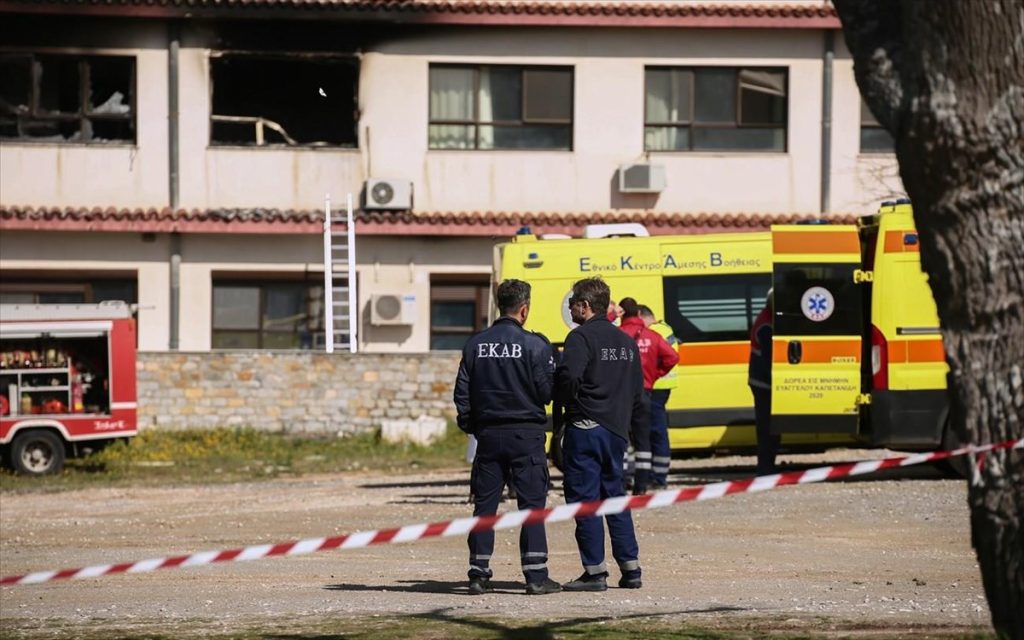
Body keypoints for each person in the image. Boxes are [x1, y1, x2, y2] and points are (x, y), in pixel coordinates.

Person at [453, 279, 562, 596]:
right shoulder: (535, 345)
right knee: (532, 507)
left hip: (488, 435)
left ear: (499, 305)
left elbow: (462, 394)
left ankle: (478, 574)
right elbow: (546, 392)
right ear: (524, 309)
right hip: (526, 435)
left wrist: (473, 427)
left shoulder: (475, 344)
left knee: (484, 507)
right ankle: (536, 576)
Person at [555, 277, 648, 592]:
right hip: (616, 431)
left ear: (585, 306)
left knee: (585, 500)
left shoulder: (580, 338)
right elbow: (638, 391)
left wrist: (568, 405)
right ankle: (631, 569)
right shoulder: (626, 341)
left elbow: (568, 377)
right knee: (615, 497)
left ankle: (595, 573)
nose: (570, 309)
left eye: (572, 304)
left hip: (586, 427)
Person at [617, 298, 678, 493]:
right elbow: (673, 357)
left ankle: (622, 480)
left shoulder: (617, 335)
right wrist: (654, 375)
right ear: (638, 314)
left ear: (622, 314)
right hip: (645, 392)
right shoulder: (652, 336)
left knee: (622, 436)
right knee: (643, 438)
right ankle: (641, 485)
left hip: (622, 393)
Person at [639, 304, 680, 489]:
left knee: (654, 432)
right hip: (663, 386)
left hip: (655, 386)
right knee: (657, 431)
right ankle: (658, 475)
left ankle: (657, 477)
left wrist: (653, 375)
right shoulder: (665, 328)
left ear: (641, 316)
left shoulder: (653, 332)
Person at [748, 289, 780, 476]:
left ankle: (767, 466)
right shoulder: (767, 325)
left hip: (760, 381)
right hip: (763, 383)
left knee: (768, 426)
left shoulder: (766, 318)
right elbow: (770, 360)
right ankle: (766, 468)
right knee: (768, 428)